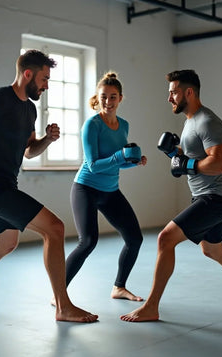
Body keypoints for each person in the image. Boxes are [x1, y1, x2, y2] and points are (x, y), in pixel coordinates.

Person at [0, 49, 98, 323]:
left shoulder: (29, 109)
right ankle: (63, 307)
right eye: (44, 79)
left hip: (5, 186)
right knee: (55, 228)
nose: (46, 85)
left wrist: (46, 140)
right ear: (27, 74)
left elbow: (29, 151)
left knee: (5, 243)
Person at [120, 69, 222, 322]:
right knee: (213, 250)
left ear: (189, 92)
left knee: (165, 239)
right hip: (207, 196)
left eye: (173, 92)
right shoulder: (191, 121)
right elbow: (196, 157)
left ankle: (151, 306)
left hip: (215, 197)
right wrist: (174, 152)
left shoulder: (207, 121)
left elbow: (221, 163)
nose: (169, 99)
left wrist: (187, 166)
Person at [64, 71, 147, 302]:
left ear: (120, 98)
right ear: (97, 98)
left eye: (112, 97)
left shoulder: (124, 125)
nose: (108, 102)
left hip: (110, 191)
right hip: (86, 188)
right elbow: (93, 166)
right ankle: (59, 292)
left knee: (135, 239)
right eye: (103, 97)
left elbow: (116, 165)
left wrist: (134, 162)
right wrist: (121, 156)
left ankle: (119, 287)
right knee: (88, 241)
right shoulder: (92, 125)